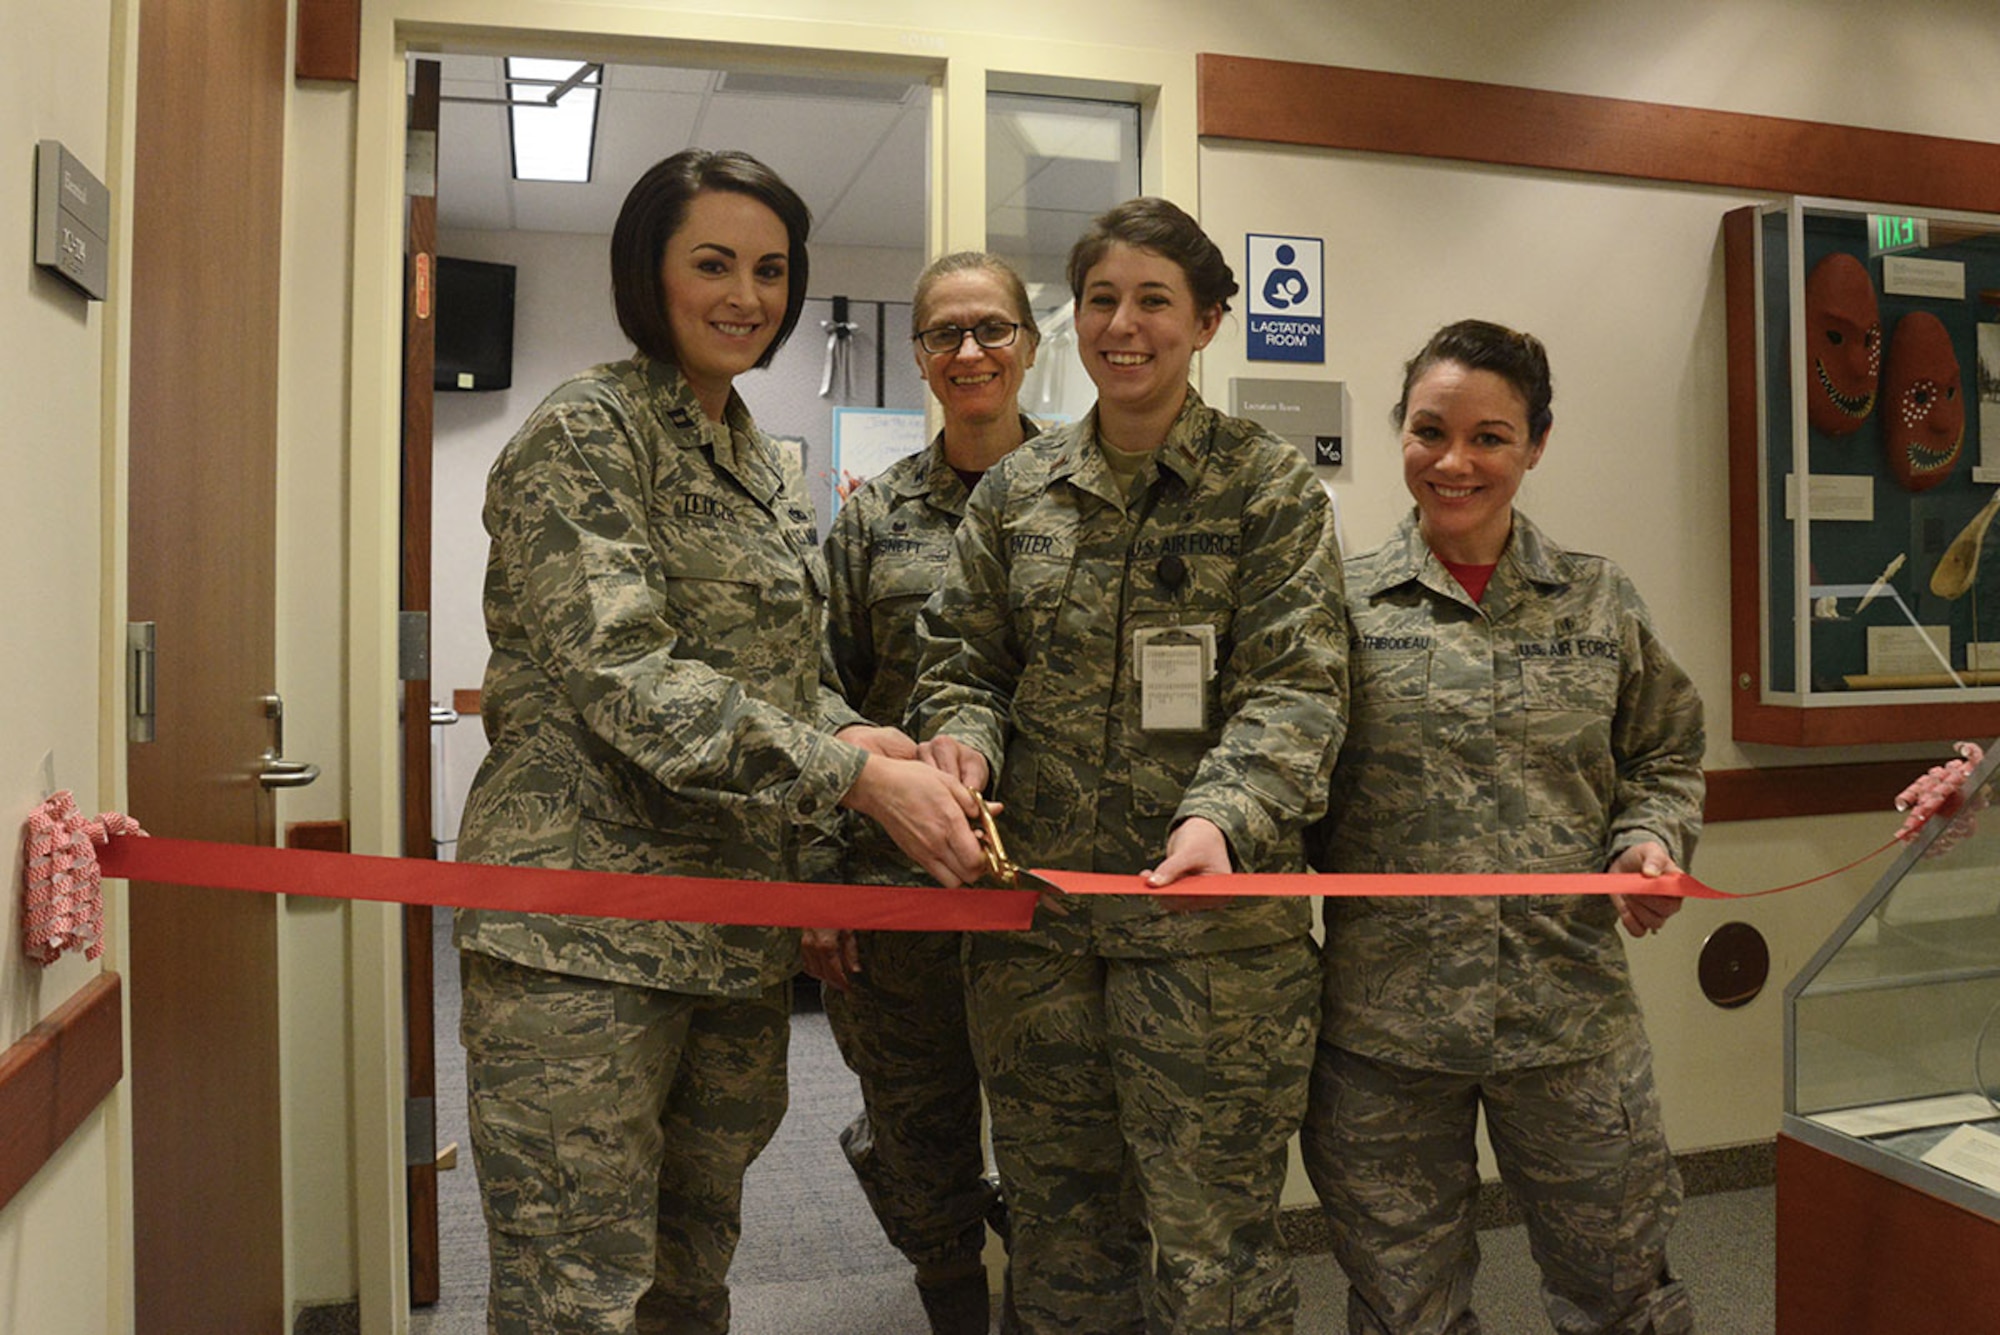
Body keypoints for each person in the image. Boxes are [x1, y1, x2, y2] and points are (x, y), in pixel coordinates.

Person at [452, 148, 989, 1335]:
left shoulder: (752, 456)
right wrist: (855, 781)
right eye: (712, 264)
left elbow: (780, 673)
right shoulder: (586, 433)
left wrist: (866, 733)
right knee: (571, 1296)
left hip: (727, 939)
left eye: (769, 270)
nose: (746, 295)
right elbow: (627, 677)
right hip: (581, 942)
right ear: (650, 274)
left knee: (688, 1278)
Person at [906, 198, 1349, 1334]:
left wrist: (1219, 819)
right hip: (1040, 945)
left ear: (1205, 320)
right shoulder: (1014, 495)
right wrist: (960, 741)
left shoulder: (1268, 489)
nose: (1122, 324)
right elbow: (961, 659)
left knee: (1214, 1258)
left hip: (1212, 955)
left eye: (1153, 300)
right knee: (1060, 1246)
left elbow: (1295, 688)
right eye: (1101, 299)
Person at [1301, 318, 1705, 1335]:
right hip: (1386, 1035)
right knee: (1405, 1309)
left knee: (1621, 1292)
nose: (1453, 461)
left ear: (1535, 443)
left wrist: (1647, 842)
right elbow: (1285, 776)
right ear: (1398, 433)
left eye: (1488, 436)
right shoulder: (1335, 608)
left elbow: (1661, 755)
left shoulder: (1596, 599)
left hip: (1565, 1020)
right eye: (1428, 430)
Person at [801, 251, 1042, 1333]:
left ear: (1030, 345)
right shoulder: (871, 519)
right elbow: (808, 692)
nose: (969, 352)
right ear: (917, 358)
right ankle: (950, 1296)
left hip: (1053, 895)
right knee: (917, 1131)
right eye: (944, 334)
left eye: (990, 328)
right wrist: (815, 885)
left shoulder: (1083, 499)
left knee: (1060, 1137)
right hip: (898, 895)